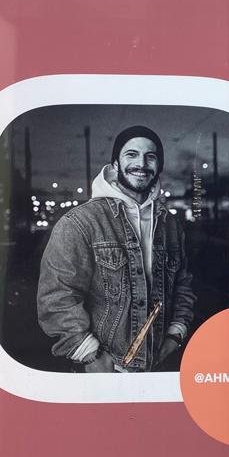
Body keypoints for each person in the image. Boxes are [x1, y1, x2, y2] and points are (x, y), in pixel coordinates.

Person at [37, 125, 195, 372]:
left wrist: (175, 334)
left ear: (158, 166)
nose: (141, 163)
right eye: (131, 154)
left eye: (150, 156)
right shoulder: (80, 222)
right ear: (115, 164)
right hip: (105, 369)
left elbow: (182, 285)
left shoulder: (169, 224)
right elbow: (56, 297)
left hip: (158, 364)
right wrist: (90, 355)